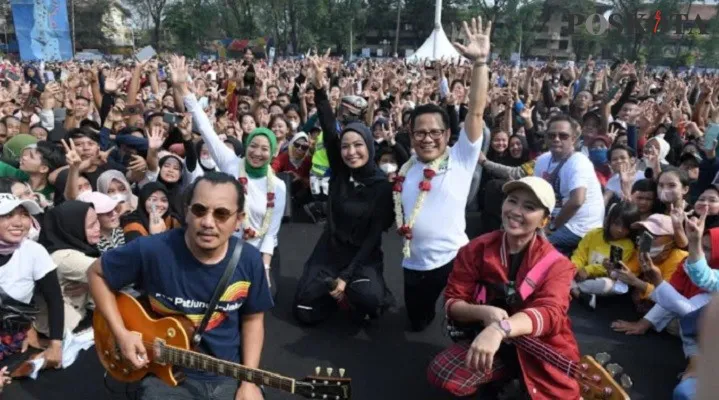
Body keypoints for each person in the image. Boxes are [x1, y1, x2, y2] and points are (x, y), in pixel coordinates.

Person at [87, 172, 273, 400]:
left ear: (239, 219)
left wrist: (249, 380)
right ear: (187, 211)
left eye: (222, 214)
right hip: (163, 373)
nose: (207, 222)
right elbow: (96, 273)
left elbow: (253, 319)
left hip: (227, 373)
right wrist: (121, 333)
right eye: (199, 210)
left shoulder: (249, 260)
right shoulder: (152, 250)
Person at [427, 177, 580, 399]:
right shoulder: (476, 249)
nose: (516, 211)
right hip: (490, 340)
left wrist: (500, 329)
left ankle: (512, 377)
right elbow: (452, 302)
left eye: (529, 207)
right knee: (443, 373)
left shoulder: (558, 265)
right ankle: (499, 377)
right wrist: (483, 312)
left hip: (538, 349)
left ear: (544, 221)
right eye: (512, 201)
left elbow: (551, 313)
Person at [394, 17, 488, 332]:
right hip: (413, 264)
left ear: (448, 135)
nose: (428, 138)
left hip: (455, 262)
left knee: (463, 326)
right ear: (410, 134)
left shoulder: (460, 159)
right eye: (420, 132)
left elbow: (475, 111)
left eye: (436, 132)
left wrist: (480, 64)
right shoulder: (404, 171)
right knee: (417, 321)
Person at [170, 56, 286, 297]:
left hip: (254, 252)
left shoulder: (279, 187)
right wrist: (183, 89)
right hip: (223, 245)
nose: (257, 153)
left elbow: (270, 233)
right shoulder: (232, 163)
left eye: (265, 149)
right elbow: (205, 129)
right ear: (247, 144)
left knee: (264, 296)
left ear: (273, 152)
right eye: (254, 146)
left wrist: (264, 268)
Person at [292, 53, 395, 325]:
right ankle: (334, 293)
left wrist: (347, 276)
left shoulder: (381, 186)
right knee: (304, 311)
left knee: (369, 300)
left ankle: (362, 291)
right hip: (330, 249)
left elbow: (374, 237)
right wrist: (319, 89)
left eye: (358, 145)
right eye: (346, 146)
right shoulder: (340, 170)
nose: (351, 152)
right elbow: (328, 127)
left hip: (363, 257)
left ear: (370, 147)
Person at [0, 193, 63, 368]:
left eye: (24, 214)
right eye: (7, 215)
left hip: (13, 342)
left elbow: (55, 299)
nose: (19, 222)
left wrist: (55, 345)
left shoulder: (33, 251)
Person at [534, 114, 605, 256]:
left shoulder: (579, 162)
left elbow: (577, 201)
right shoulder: (542, 160)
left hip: (581, 226)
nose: (556, 139)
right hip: (555, 219)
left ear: (573, 139)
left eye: (563, 136)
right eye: (551, 135)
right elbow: (537, 194)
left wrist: (552, 227)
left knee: (536, 245)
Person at [38, 200, 102, 335]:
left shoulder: (73, 245)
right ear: (72, 228)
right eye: (91, 225)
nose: (98, 227)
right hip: (70, 330)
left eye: (97, 221)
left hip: (79, 319)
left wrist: (91, 284)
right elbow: (115, 269)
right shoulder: (64, 257)